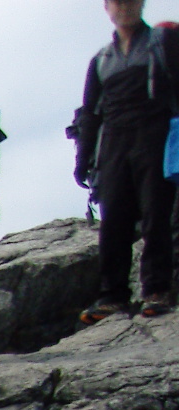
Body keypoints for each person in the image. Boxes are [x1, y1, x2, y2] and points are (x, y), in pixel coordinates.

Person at [73, 1, 179, 322]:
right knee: (114, 220)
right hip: (114, 145)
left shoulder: (166, 43)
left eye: (132, 1)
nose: (126, 7)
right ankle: (112, 296)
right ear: (107, 7)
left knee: (156, 215)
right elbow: (90, 114)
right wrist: (83, 158)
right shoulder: (101, 59)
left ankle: (157, 290)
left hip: (156, 136)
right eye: (119, 1)